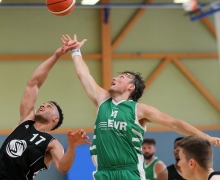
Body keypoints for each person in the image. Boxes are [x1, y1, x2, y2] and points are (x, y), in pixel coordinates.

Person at [62, 34, 220, 180]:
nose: (114, 78)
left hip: (130, 172)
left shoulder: (140, 110)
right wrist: (75, 51)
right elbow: (84, 75)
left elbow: (175, 123)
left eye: (121, 77)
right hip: (102, 171)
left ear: (131, 87)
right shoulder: (102, 100)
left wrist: (206, 137)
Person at [0, 38, 91, 180]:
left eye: (49, 106)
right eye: (43, 104)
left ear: (55, 119)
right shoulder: (26, 119)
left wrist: (72, 146)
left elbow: (62, 167)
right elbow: (33, 83)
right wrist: (56, 55)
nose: (43, 105)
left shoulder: (52, 143)